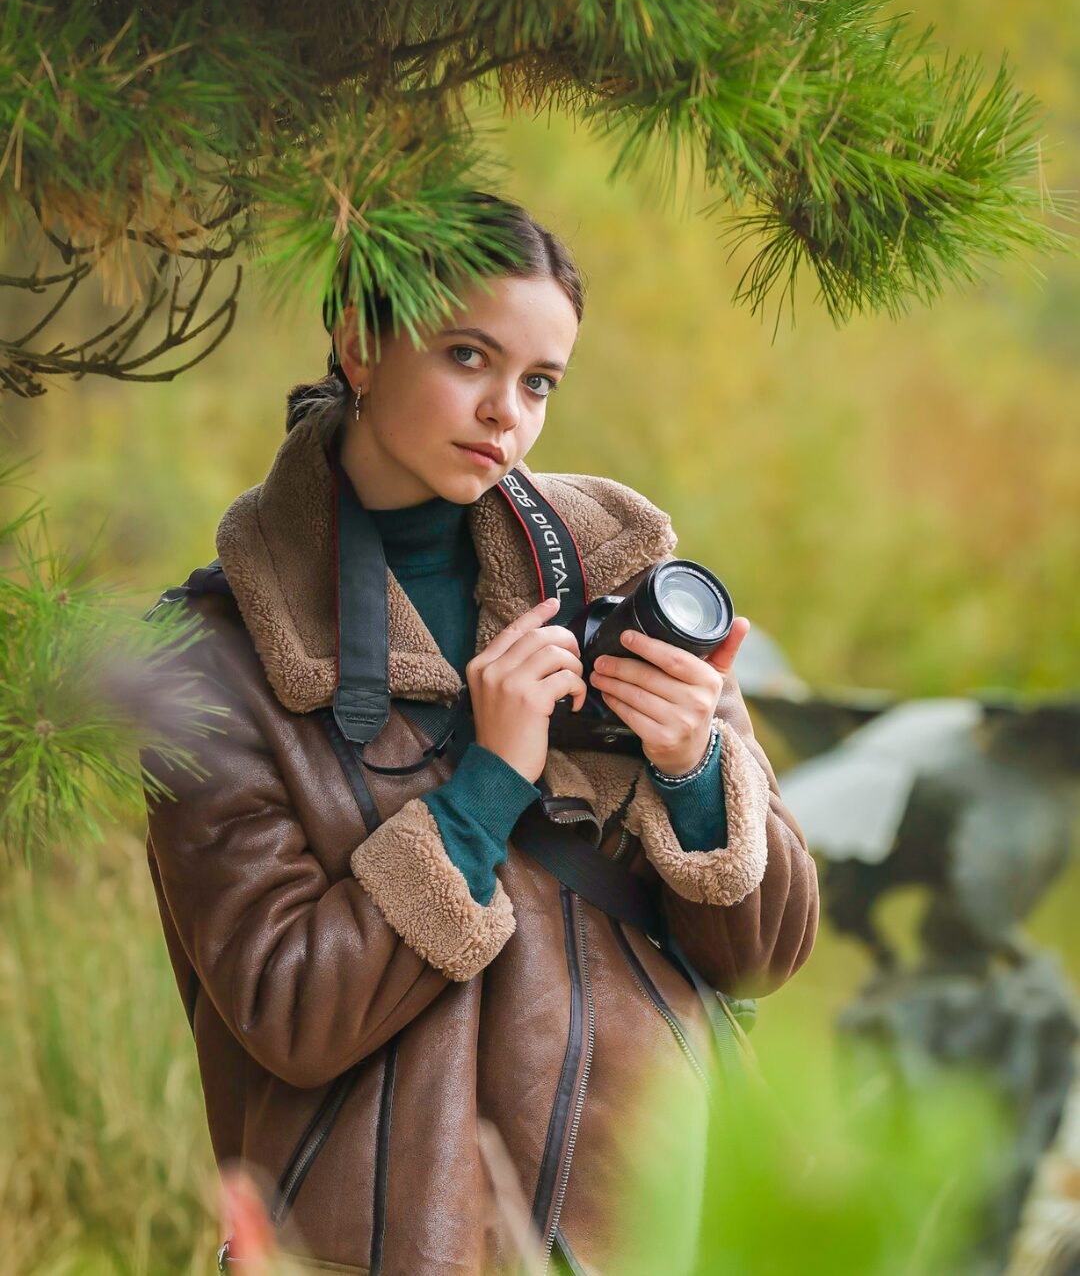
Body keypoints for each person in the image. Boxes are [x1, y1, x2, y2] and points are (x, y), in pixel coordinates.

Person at [140, 193, 819, 1276]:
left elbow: (766, 956)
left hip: (662, 1222)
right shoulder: (215, 663)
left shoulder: (622, 577)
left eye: (539, 381)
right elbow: (292, 1013)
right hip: (393, 1241)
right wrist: (489, 780)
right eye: (468, 356)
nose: (507, 411)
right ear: (361, 346)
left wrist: (694, 770)